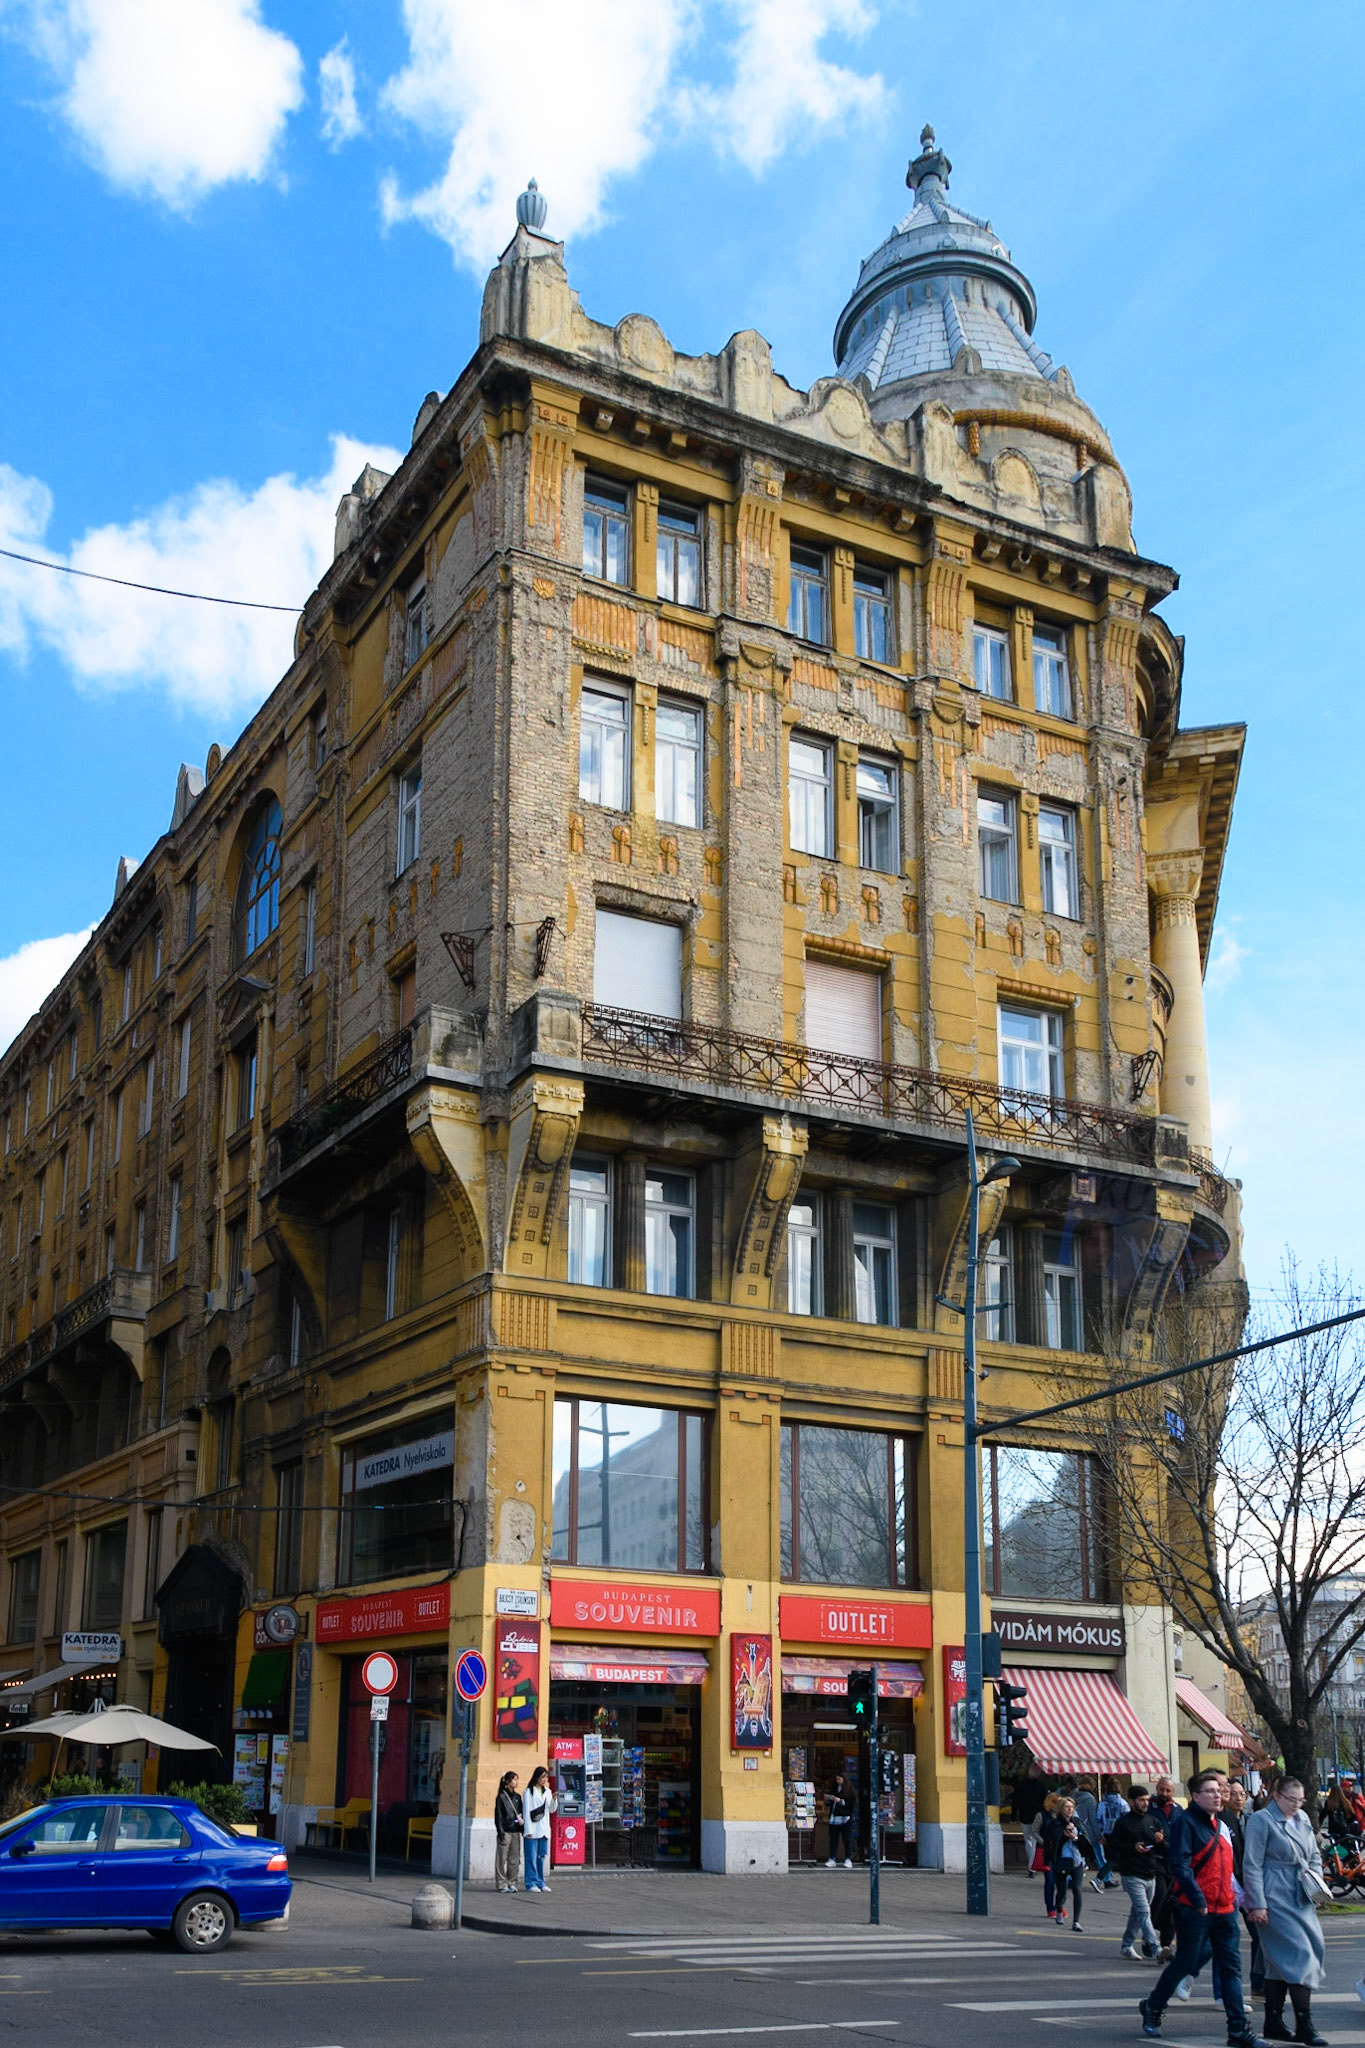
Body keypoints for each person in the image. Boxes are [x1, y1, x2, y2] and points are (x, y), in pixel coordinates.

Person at [1138, 1769, 1263, 2045]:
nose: (1218, 1795)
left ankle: (1238, 2031)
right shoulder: (1186, 1823)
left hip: (1225, 1908)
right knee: (1186, 1961)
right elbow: (1180, 1865)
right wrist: (1197, 1898)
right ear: (1196, 1796)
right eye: (1211, 1791)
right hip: (1195, 1909)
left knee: (1231, 1969)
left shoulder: (1221, 1823)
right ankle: (1154, 2006)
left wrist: (1245, 1900)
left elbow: (1229, 1869)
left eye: (1219, 1791)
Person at [1243, 1776, 1329, 2047]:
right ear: (1277, 1795)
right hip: (1274, 1893)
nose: (1296, 1805)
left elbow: (1314, 1855)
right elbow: (1252, 1863)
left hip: (1300, 1893)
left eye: (1300, 1800)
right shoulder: (1262, 1820)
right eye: (1291, 1799)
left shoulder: (1302, 1818)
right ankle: (1304, 2023)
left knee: (1280, 1962)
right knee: (1300, 1956)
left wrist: (1315, 1884)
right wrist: (1258, 1902)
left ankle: (1274, 2021)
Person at [1110, 1784, 1163, 1959]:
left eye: (1147, 1800)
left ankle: (1126, 1945)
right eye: (1141, 1800)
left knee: (1138, 1912)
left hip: (1150, 1873)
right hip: (1132, 1874)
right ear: (1132, 1802)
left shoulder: (1153, 1821)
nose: (1145, 1803)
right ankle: (1156, 1948)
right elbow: (1114, 1846)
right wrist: (1133, 1847)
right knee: (1144, 1912)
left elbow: (1164, 1847)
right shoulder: (1123, 1823)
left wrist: (1160, 1841)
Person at [1043, 1793, 1089, 1932]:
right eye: (1066, 1807)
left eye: (1071, 1807)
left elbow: (1085, 1841)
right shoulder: (1055, 1823)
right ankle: (1059, 1909)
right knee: (1062, 1891)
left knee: (1077, 1889)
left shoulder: (1077, 1822)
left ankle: (1076, 1921)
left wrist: (1075, 1837)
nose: (1069, 1810)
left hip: (1077, 1860)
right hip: (1062, 1860)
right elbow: (1050, 1842)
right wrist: (1064, 1836)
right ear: (1061, 1808)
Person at [1075, 1774, 1119, 1890]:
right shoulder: (1090, 1799)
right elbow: (1093, 1819)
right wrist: (1099, 1835)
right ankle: (1106, 1878)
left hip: (1078, 1830)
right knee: (1099, 1855)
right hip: (1089, 1832)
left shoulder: (1074, 1796)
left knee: (1078, 1856)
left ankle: (1070, 1879)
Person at [522, 1765, 556, 1894]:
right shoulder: (528, 1792)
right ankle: (530, 1882)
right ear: (537, 1778)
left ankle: (540, 1882)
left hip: (544, 1829)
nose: (545, 1780)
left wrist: (554, 1800)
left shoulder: (547, 1791)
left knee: (541, 1857)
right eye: (542, 1777)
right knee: (531, 1858)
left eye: (546, 1777)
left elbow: (551, 1809)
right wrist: (528, 1830)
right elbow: (526, 1811)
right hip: (532, 1829)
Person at [1014, 1762, 1050, 1877]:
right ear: (1038, 1774)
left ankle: (1031, 1867)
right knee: (1034, 1840)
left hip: (1024, 1815)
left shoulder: (1021, 1785)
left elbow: (1016, 1800)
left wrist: (1013, 1814)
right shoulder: (1041, 1786)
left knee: (1028, 1840)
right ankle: (1032, 1867)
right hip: (1037, 1816)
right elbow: (1046, 1802)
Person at [493, 1769, 522, 1893]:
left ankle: (512, 1881)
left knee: (514, 1859)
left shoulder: (517, 1797)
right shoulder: (501, 1797)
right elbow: (498, 1815)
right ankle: (501, 1883)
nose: (516, 1782)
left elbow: (520, 1812)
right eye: (514, 1780)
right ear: (508, 1782)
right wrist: (500, 1831)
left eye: (516, 1779)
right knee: (501, 1859)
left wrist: (521, 1827)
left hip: (515, 1830)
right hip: (505, 1830)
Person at [826, 1774, 856, 1868]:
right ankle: (832, 1858)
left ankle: (848, 1858)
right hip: (834, 1817)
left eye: (839, 1779)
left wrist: (841, 1801)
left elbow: (852, 1803)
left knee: (847, 1839)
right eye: (837, 1779)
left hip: (845, 1817)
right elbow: (830, 1801)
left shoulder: (849, 1790)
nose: (838, 1781)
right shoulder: (835, 1788)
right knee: (833, 1839)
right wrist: (828, 1800)